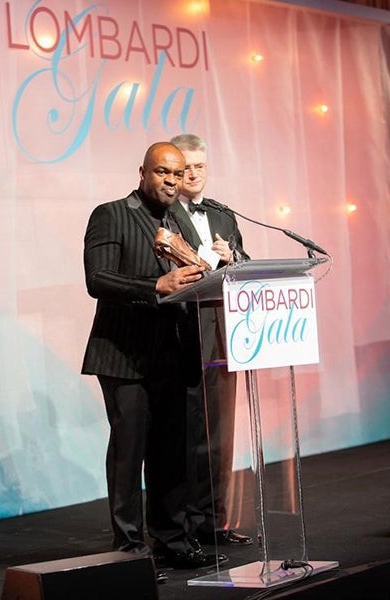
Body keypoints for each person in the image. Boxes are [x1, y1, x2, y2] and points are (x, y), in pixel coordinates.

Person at [81, 142, 228, 580]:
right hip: (125, 354)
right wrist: (155, 287)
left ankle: (173, 541)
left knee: (171, 454)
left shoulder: (180, 218)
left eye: (177, 174)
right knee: (130, 454)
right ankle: (128, 548)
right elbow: (98, 279)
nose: (171, 180)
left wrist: (220, 267)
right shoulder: (111, 213)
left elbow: (197, 271)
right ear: (142, 171)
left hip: (173, 353)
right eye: (162, 172)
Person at [170, 133, 253, 547]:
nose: (193, 174)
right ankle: (185, 525)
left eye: (199, 166)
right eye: (185, 167)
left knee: (220, 432)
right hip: (183, 332)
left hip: (223, 332)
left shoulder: (222, 214)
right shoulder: (162, 214)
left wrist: (232, 256)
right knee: (188, 432)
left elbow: (246, 263)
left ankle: (214, 522)